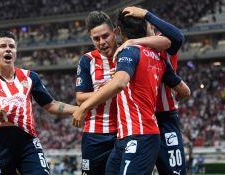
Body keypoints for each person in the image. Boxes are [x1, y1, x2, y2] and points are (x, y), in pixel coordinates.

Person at [73, 10, 185, 175]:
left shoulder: (134, 51)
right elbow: (80, 97)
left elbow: (175, 39)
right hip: (112, 132)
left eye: (106, 36)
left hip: (151, 123)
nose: (102, 42)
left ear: (116, 32)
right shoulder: (89, 60)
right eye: (96, 39)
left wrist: (144, 20)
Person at [0, 31, 78, 175]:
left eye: (12, 46)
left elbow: (51, 104)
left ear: (15, 52)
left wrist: (79, 109)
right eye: (3, 46)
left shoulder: (30, 77)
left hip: (27, 141)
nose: (8, 49)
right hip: (0, 143)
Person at [118, 7, 191, 175]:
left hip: (164, 117)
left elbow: (178, 37)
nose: (153, 29)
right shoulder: (128, 51)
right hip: (140, 122)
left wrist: (146, 14)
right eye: (150, 26)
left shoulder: (159, 43)